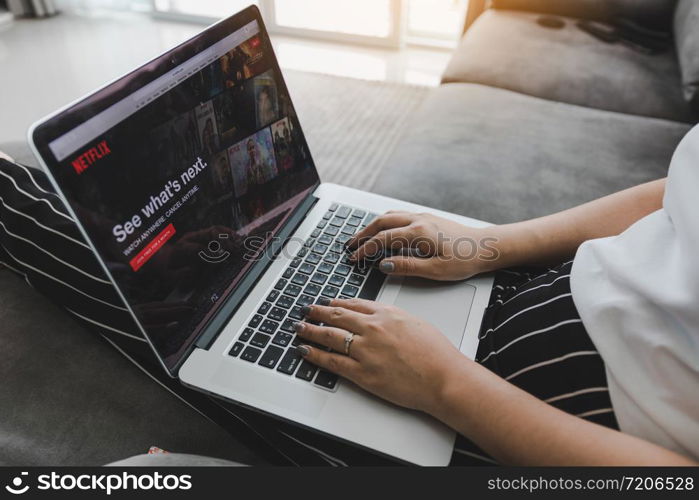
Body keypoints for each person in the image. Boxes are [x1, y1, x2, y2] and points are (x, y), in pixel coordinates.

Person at [1, 125, 698, 466]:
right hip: (530, 288)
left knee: (141, 290)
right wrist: (486, 246)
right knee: (251, 248)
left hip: (517, 435)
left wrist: (447, 387)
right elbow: (674, 199)